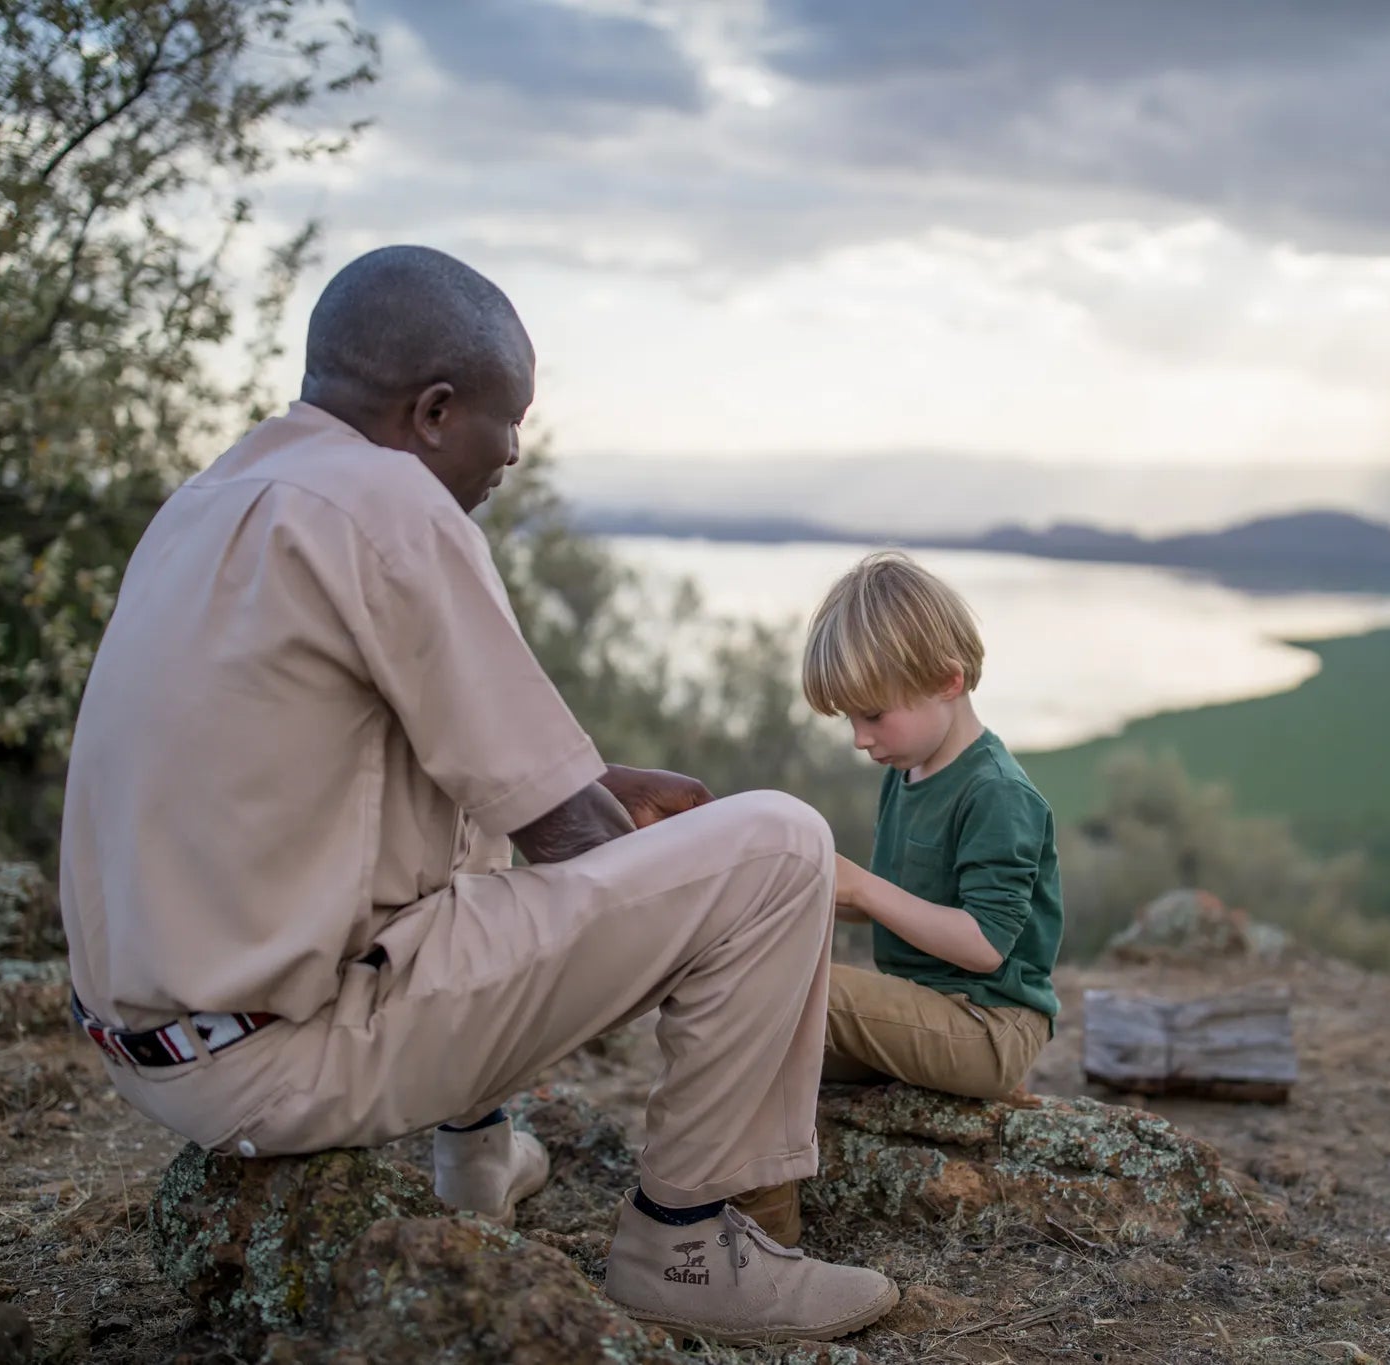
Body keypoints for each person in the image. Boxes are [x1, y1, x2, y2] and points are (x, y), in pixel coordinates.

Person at [56, 244, 897, 1345]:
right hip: (284, 1066)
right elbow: (567, 842)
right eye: (512, 420)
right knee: (779, 846)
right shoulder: (390, 503)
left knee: (453, 815)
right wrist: (669, 890)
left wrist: (595, 801)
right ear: (437, 411)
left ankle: (476, 1162)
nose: (514, 452)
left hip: (161, 1052)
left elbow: (434, 769)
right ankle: (687, 1242)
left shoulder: (216, 497)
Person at [801, 552, 1063, 1096]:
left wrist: (863, 889)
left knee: (797, 994)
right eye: (849, 718)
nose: (859, 738)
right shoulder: (908, 769)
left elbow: (985, 944)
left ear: (947, 680)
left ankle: (740, 1184)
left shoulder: (997, 792)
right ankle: (739, 1178)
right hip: (919, 1004)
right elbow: (905, 908)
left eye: (873, 715)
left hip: (987, 1027)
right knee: (751, 1023)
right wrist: (801, 883)